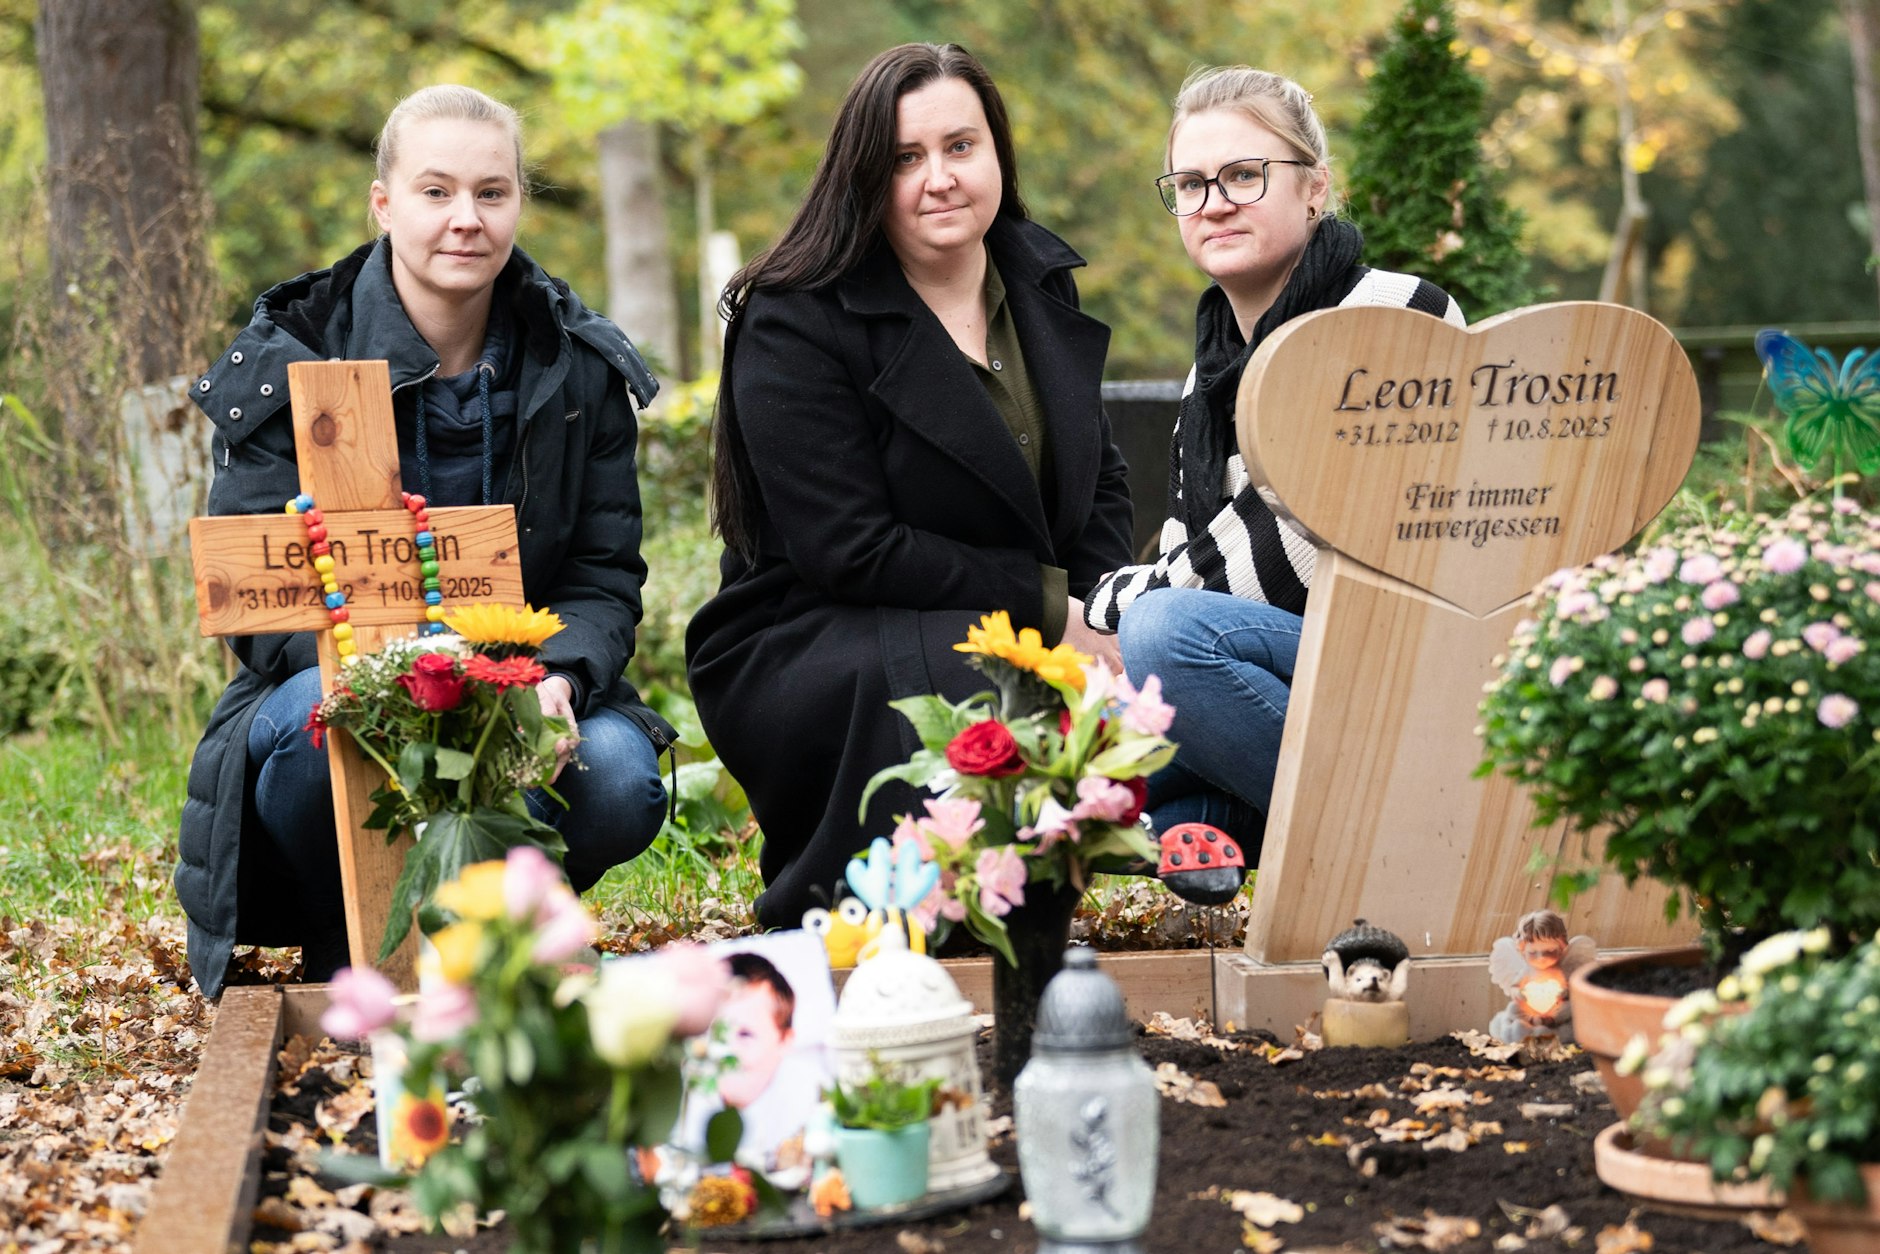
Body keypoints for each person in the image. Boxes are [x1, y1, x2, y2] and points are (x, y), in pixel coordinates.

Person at [177, 85, 672, 998]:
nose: (465, 221)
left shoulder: (578, 369)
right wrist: (398, 673)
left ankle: (497, 942)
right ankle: (360, 940)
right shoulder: (293, 351)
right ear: (384, 203)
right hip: (343, 687)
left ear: (520, 201)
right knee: (311, 743)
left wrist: (556, 677)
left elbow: (603, 575)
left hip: (520, 680)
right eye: (436, 192)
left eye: (492, 193)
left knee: (620, 779)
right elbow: (256, 600)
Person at [686, 43, 1134, 929]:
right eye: (905, 158)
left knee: (1157, 662)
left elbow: (1099, 480)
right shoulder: (795, 317)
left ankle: (1061, 881)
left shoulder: (1041, 284)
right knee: (973, 677)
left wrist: (1103, 613)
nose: (939, 178)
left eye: (961, 147)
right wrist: (1050, 612)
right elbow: (848, 548)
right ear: (864, 176)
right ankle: (885, 909)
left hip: (1002, 608)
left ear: (997, 154)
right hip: (811, 628)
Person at [1082, 67, 1465, 862]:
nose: (1213, 201)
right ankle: (1231, 843)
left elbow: (1294, 541)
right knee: (1101, 759)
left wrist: (1113, 600)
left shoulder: (1399, 317)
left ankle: (1392, 846)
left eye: (1244, 174)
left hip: (1398, 676)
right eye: (1190, 183)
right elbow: (1191, 544)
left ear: (1316, 188)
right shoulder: (1211, 372)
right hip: (1285, 679)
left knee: (1160, 636)